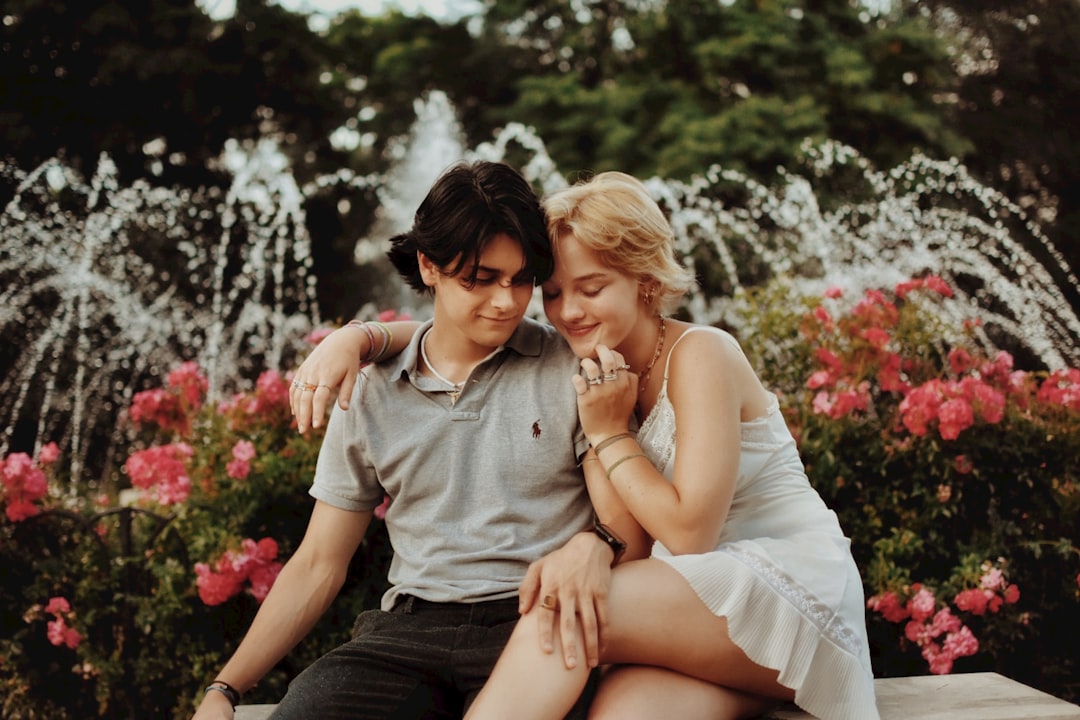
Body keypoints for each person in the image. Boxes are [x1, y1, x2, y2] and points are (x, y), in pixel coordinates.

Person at [292, 171, 879, 720]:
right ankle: (748, 689)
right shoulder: (592, 356)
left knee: (557, 604)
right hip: (693, 613)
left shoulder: (702, 354)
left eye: (592, 288)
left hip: (779, 587)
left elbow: (692, 534)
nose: (568, 313)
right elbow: (452, 332)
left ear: (646, 278)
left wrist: (609, 435)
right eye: (550, 292)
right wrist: (361, 337)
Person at [190, 161, 649, 720]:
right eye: (480, 278)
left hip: (533, 623)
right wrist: (225, 688)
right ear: (429, 267)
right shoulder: (368, 388)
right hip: (407, 632)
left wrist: (592, 550)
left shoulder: (568, 366)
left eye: (521, 278)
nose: (506, 302)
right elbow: (318, 562)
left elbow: (622, 530)